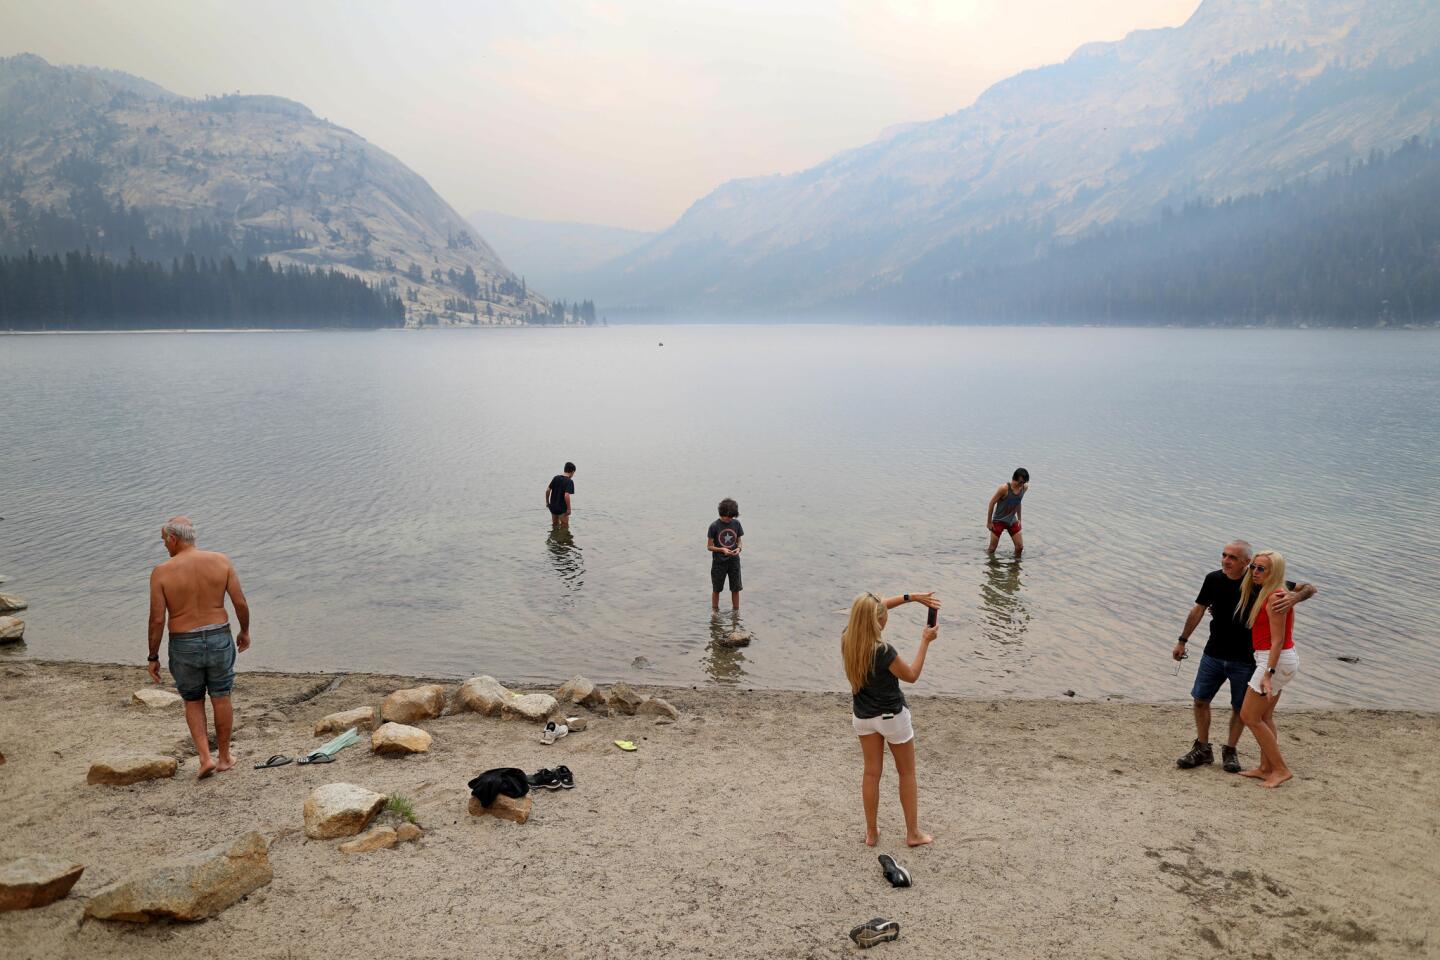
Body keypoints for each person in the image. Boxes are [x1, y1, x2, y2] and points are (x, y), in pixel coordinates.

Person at [1173, 541, 1315, 772]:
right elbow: (1198, 609)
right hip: (1213, 653)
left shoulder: (1262, 582)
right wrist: (1182, 640)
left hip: (1247, 659)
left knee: (1240, 708)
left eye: (1232, 558)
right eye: (1224, 555)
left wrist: (1295, 598)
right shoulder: (1214, 579)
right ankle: (1202, 748)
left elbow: (1309, 587)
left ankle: (1230, 750)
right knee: (1200, 700)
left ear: (1246, 562)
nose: (1225, 561)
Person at [147, 516, 250, 779]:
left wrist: (153, 655)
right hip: (218, 637)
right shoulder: (221, 561)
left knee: (193, 700)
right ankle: (225, 757)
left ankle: (205, 758)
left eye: (163, 540)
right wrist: (244, 631)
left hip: (184, 643)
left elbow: (158, 619)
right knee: (221, 695)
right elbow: (239, 602)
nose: (164, 546)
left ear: (173, 538)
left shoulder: (162, 572)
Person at [842, 590, 940, 848]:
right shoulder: (884, 651)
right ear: (879, 622)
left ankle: (871, 833)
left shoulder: (847, 639)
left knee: (871, 774)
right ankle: (913, 833)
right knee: (906, 772)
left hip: (863, 717)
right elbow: (912, 675)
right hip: (891, 717)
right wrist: (925, 641)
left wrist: (911, 597)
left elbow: (870, 609)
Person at [1238, 550, 1302, 788]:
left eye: (1261, 568)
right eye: (1253, 567)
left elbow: (1277, 640)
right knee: (1264, 716)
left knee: (1249, 716)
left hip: (1274, 660)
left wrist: (1268, 674)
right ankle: (1265, 767)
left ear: (1273, 572)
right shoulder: (1271, 592)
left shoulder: (1276, 597)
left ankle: (1281, 769)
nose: (1254, 572)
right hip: (1278, 659)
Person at [707, 498, 744, 612]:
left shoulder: (736, 523)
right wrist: (721, 549)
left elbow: (739, 540)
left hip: (734, 561)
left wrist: (739, 548)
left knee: (735, 588)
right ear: (721, 513)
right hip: (719, 562)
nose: (729, 519)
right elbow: (709, 546)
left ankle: (736, 613)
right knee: (716, 589)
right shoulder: (714, 526)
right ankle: (715, 612)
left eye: (731, 517)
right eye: (727, 516)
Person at [986, 468, 1030, 556]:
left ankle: (1015, 567)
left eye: (1024, 482)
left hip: (1012, 520)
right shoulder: (1004, 488)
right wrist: (989, 522)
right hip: (999, 520)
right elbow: (991, 503)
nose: (1022, 484)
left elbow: (1018, 501)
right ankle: (990, 566)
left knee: (1019, 547)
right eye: (1020, 482)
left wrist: (1019, 519)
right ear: (1014, 479)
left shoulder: (1024, 487)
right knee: (992, 549)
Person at [545, 462, 576, 527]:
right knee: (565, 527)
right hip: (562, 509)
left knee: (555, 525)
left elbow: (547, 490)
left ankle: (554, 536)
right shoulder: (569, 481)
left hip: (553, 508)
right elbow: (566, 495)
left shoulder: (556, 478)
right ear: (572, 472)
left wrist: (547, 502)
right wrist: (569, 509)